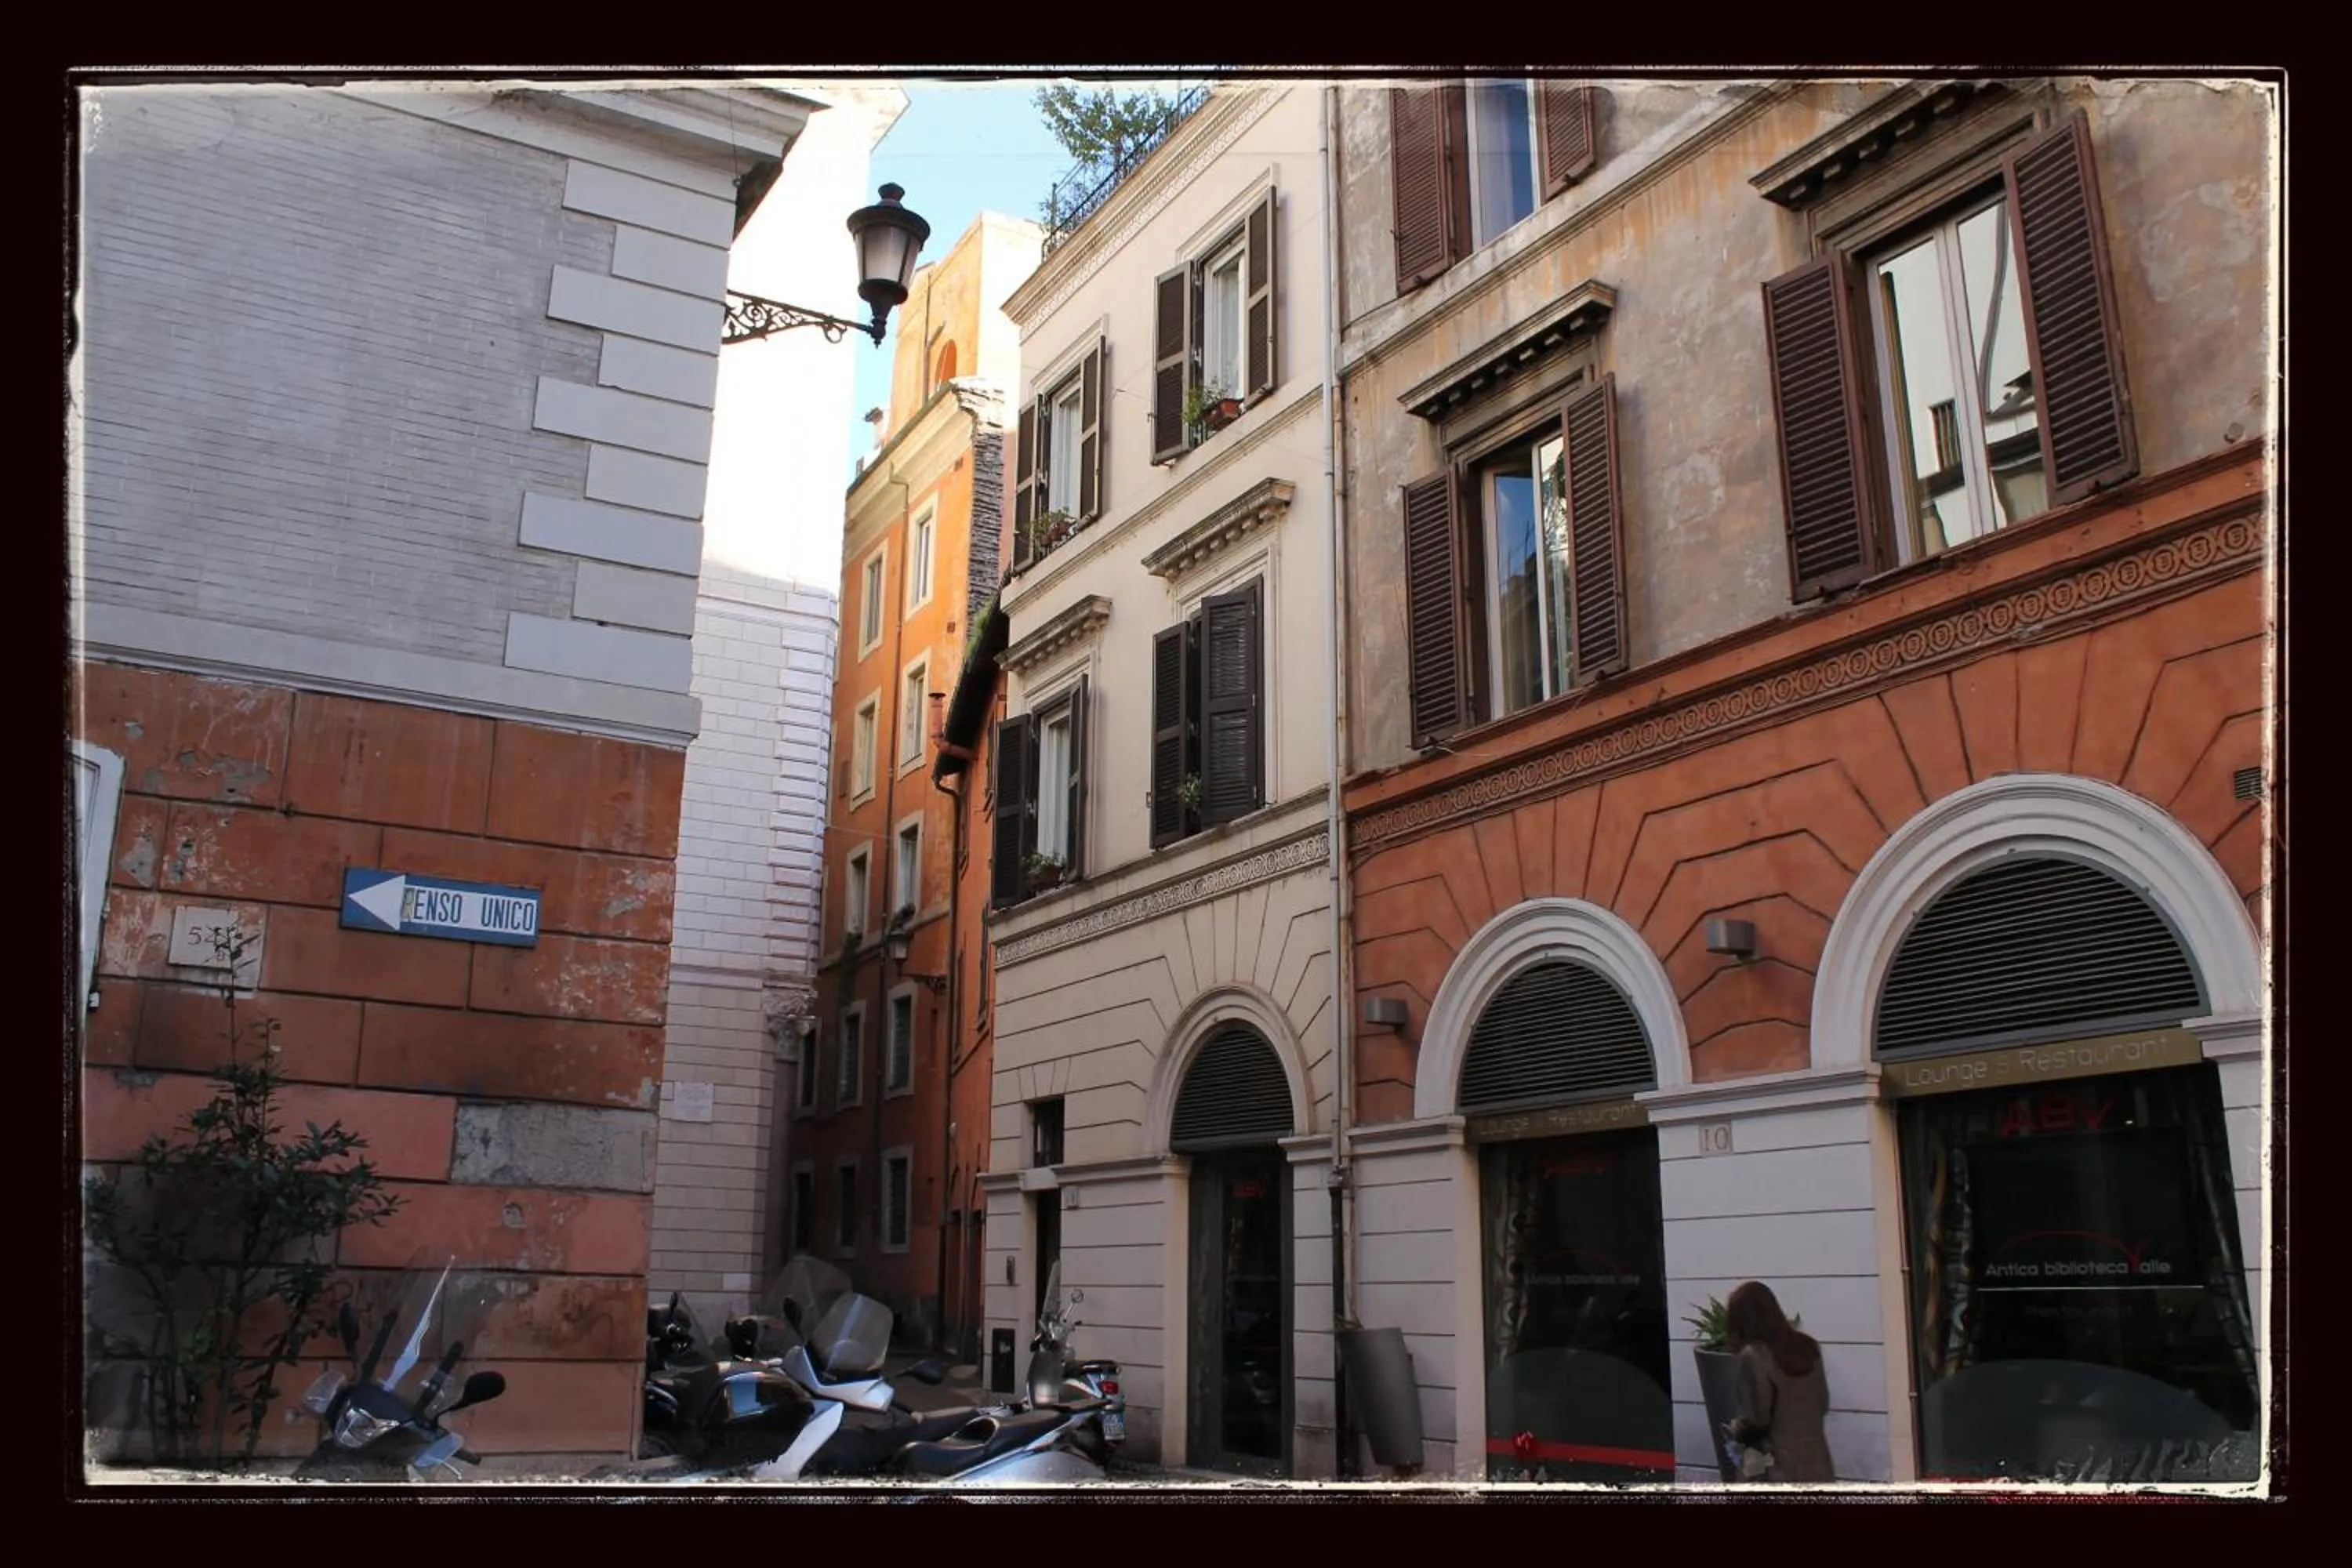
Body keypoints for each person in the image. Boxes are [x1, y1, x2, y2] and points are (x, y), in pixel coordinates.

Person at [1723, 1280, 1835, 1483]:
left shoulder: (1754, 1355)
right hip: (1818, 1466)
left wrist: (1736, 1428)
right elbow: (1822, 1403)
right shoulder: (1808, 1347)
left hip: (1774, 1470)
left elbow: (1757, 1419)